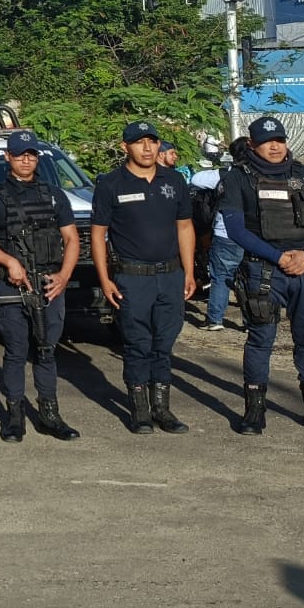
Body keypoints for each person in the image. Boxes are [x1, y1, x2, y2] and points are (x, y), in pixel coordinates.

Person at [221, 116, 304, 435]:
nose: (275, 145)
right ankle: (254, 411)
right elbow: (236, 229)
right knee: (261, 339)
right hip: (264, 268)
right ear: (252, 145)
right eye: (267, 141)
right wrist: (278, 256)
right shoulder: (238, 179)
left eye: (279, 139)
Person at [0, 130, 82, 442]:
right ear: (8, 157)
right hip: (12, 286)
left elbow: (71, 238)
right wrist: (10, 262)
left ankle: (50, 414)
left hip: (48, 283)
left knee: (46, 350)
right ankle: (15, 416)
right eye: (20, 154)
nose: (26, 160)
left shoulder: (54, 195)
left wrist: (63, 276)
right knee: (17, 351)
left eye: (31, 154)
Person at [90, 121, 196, 435]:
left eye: (152, 141)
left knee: (164, 343)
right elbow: (98, 235)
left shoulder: (174, 180)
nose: (147, 148)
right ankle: (139, 410)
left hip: (171, 274)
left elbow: (185, 227)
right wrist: (104, 279)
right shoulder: (111, 184)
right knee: (138, 343)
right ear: (126, 147)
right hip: (132, 277)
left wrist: (189, 271)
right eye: (139, 142)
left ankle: (162, 408)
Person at [189, 139, 248, 332]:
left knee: (221, 277)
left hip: (226, 233)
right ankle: (253, 320)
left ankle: (215, 319)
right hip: (256, 234)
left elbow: (196, 179)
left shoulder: (226, 174)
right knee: (251, 277)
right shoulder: (262, 174)